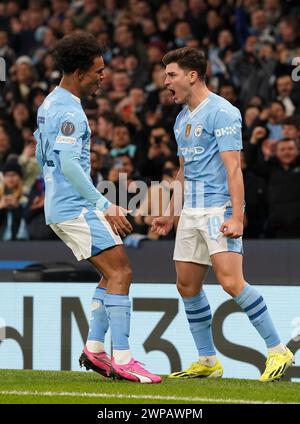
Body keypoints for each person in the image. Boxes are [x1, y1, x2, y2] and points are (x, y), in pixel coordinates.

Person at [151, 47, 294, 382]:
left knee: (231, 282)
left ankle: (277, 349)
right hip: (191, 212)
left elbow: (234, 169)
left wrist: (237, 216)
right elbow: (184, 172)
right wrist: (171, 213)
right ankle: (207, 360)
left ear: (192, 75)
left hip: (219, 209)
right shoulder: (181, 118)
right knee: (186, 285)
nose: (165, 81)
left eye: (171, 74)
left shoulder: (223, 112)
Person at [34, 32, 161, 384]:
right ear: (79, 72)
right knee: (122, 273)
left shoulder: (49, 104)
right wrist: (105, 205)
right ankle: (122, 357)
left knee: (110, 273)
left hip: (63, 205)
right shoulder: (67, 109)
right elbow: (69, 165)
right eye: (98, 71)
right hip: (75, 208)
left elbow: (39, 153)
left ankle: (95, 349)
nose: (103, 76)